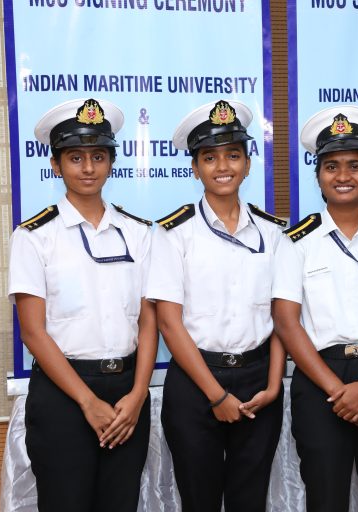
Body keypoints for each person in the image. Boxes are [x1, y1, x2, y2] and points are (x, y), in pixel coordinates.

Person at [8, 98, 157, 512]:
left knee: (120, 503)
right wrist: (87, 402)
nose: (88, 168)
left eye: (98, 156)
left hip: (127, 394)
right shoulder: (34, 237)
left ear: (112, 161)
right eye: (75, 157)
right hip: (63, 396)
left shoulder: (139, 233)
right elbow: (33, 332)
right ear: (56, 165)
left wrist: (139, 393)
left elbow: (149, 322)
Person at [146, 100, 286, 512]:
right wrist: (216, 395)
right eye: (210, 157)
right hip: (195, 385)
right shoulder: (173, 234)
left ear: (247, 163)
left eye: (232, 155)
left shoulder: (274, 232)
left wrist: (274, 386)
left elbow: (281, 318)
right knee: (199, 501)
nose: (222, 166)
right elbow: (169, 324)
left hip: (260, 382)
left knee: (250, 500)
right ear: (195, 168)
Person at [272, 106, 358, 512]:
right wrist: (339, 392)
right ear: (318, 176)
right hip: (320, 383)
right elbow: (286, 319)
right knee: (325, 497)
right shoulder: (295, 242)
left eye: (355, 165)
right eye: (331, 166)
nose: (343, 176)